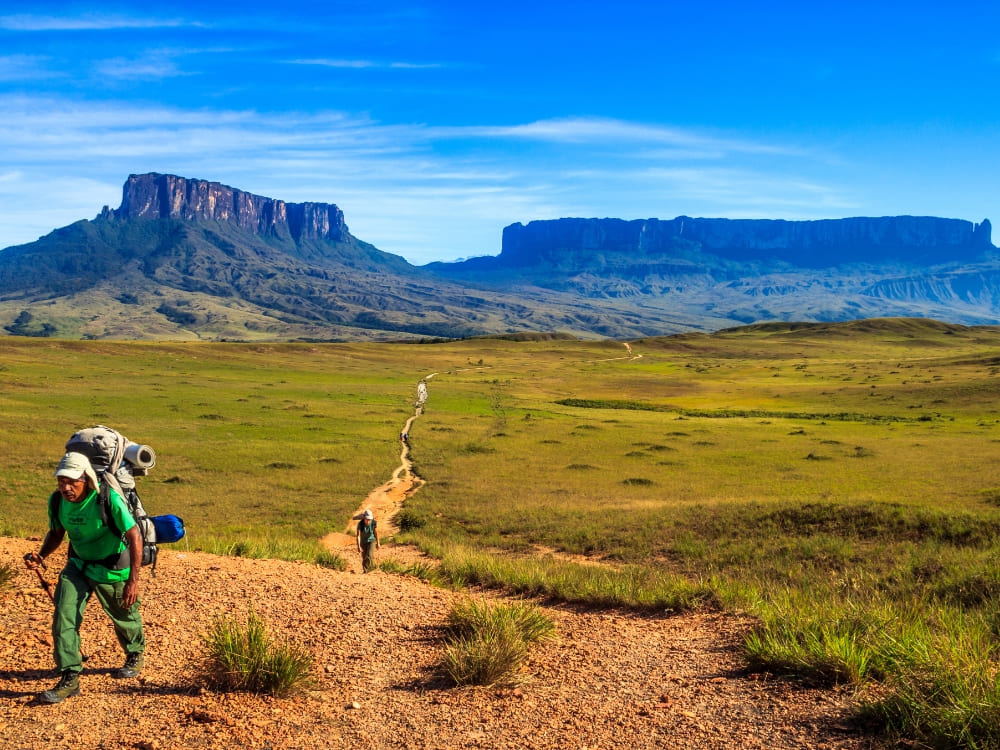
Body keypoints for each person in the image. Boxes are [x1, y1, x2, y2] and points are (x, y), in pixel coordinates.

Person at [23, 451, 145, 704]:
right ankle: (70, 677)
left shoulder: (106, 498)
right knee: (63, 618)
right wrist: (41, 556)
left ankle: (134, 653)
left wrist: (133, 580)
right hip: (77, 565)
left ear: (86, 479)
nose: (66, 488)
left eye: (72, 482)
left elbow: (134, 535)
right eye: (61, 482)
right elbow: (56, 533)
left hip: (111, 566)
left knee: (124, 614)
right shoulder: (57, 501)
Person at [356, 508, 380, 573]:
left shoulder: (373, 523)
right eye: (367, 519)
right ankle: (366, 571)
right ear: (364, 518)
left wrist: (378, 543)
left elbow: (376, 533)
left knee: (369, 554)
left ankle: (371, 570)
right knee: (364, 557)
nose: (368, 521)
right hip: (363, 542)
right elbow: (358, 536)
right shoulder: (360, 524)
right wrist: (358, 546)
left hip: (371, 540)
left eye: (369, 519)